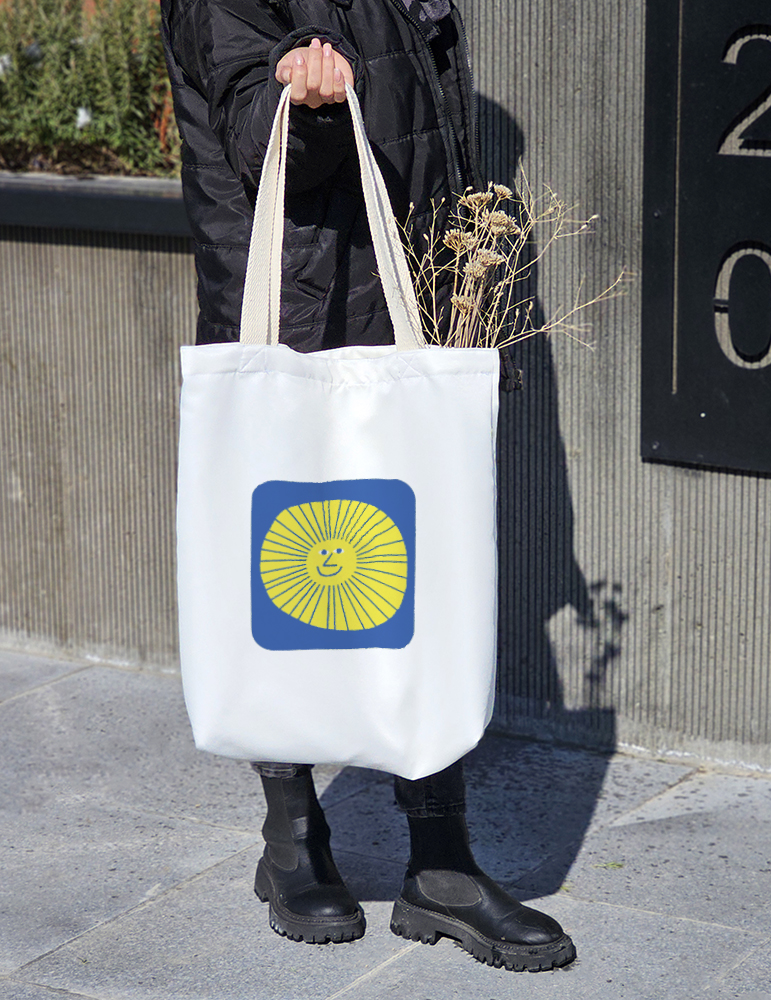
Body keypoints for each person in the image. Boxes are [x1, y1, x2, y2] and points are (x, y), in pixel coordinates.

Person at [159, 0, 575, 973]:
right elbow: (254, 134)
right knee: (289, 577)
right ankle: (293, 837)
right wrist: (301, 105)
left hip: (400, 299)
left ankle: (441, 860)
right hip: (297, 301)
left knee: (419, 578)